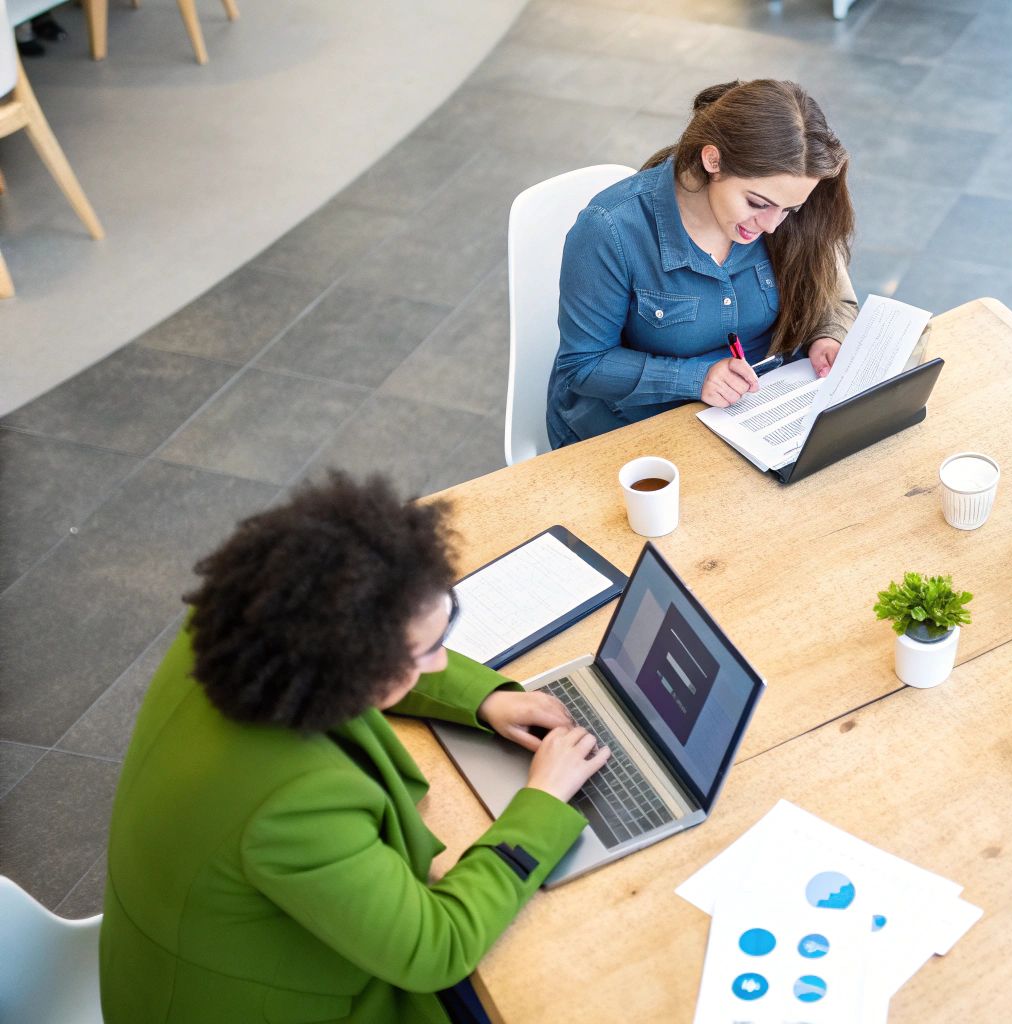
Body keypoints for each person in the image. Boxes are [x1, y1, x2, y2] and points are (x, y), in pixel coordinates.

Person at [99, 473, 610, 1024]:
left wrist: (483, 698)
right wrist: (541, 801)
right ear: (355, 667)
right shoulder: (296, 809)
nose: (440, 662)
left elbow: (364, 645)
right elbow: (436, 948)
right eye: (430, 649)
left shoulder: (242, 625)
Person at [547, 78, 858, 448]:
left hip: (759, 409)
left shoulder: (793, 216)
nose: (772, 225)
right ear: (713, 160)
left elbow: (832, 298)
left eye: (789, 209)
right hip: (637, 426)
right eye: (757, 204)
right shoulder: (610, 230)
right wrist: (695, 379)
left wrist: (829, 335)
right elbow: (583, 365)